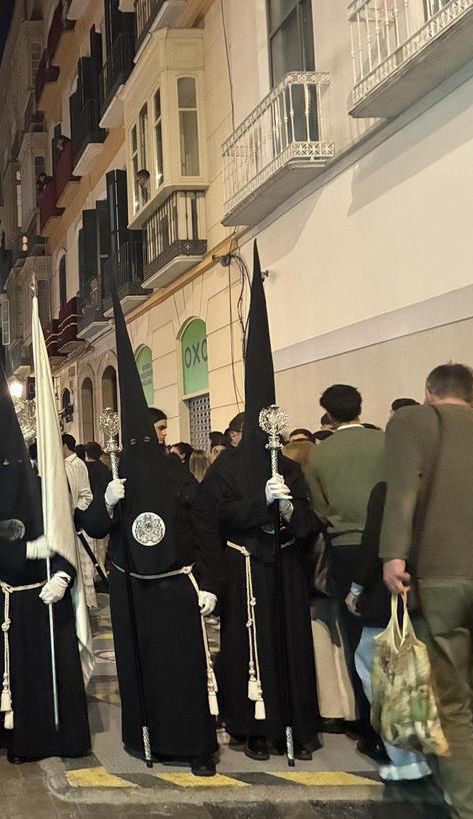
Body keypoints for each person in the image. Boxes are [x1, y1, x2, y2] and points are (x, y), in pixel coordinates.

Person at [381, 363, 473, 819]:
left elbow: (402, 489)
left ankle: (469, 807)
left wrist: (393, 555)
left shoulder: (410, 422)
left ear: (427, 393)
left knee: (452, 704)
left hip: (443, 579)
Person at [194, 245, 321, 761]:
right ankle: (254, 729)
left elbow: (311, 521)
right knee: (251, 651)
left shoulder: (289, 466)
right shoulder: (227, 468)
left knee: (291, 650)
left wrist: (290, 513)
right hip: (246, 573)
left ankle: (295, 725)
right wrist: (256, 507)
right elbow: (215, 516)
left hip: (284, 573)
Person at [95, 298, 220, 776]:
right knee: (140, 669)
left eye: (158, 434)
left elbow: (204, 526)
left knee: (183, 668)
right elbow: (95, 526)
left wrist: (208, 582)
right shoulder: (117, 473)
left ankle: (196, 747)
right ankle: (142, 738)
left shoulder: (179, 474)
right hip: (131, 591)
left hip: (174, 587)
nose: (153, 442)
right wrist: (106, 501)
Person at [0, 320, 90, 765]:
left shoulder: (46, 486)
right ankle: (19, 740)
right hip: (12, 600)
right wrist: (26, 552)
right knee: (16, 676)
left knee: (53, 672)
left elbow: (64, 530)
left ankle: (62, 736)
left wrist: (62, 573)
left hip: (49, 598)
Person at [303, 384, 387, 762]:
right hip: (390, 547)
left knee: (356, 637)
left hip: (346, 548)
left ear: (329, 415)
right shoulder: (385, 443)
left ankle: (368, 727)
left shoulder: (320, 457)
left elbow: (318, 511)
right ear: (360, 408)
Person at [344, 481, 431, 782]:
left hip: (393, 599)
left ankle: (407, 759)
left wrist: (356, 587)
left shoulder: (388, 489)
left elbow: (373, 545)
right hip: (440, 597)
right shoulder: (456, 486)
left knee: (374, 668)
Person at [61, 435, 99, 606]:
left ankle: (86, 602)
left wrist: (76, 512)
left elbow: (86, 495)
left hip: (77, 523)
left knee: (83, 565)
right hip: (63, 527)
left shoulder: (77, 465)